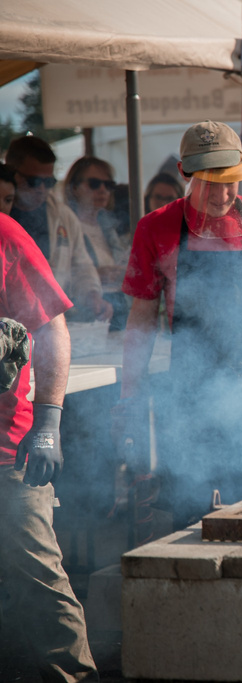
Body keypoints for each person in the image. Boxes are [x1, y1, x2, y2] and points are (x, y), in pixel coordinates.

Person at [114, 120, 242, 528]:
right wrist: (130, 396)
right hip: (190, 394)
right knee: (194, 516)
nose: (223, 194)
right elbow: (141, 322)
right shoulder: (156, 228)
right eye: (211, 182)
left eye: (232, 182)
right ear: (185, 174)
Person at [0, 212, 98, 681]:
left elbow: (52, 327)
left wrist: (48, 424)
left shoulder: (4, 234)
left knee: (39, 579)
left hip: (5, 451)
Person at [6, 136, 112, 322]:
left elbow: (81, 266)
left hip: (52, 321)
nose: (41, 189)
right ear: (13, 173)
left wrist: (92, 295)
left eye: (48, 182)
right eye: (33, 181)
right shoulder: (4, 217)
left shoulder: (63, 217)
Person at [64, 156, 131, 329]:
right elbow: (57, 272)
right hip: (84, 316)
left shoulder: (109, 227)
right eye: (94, 183)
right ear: (74, 188)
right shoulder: (64, 228)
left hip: (117, 308)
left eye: (108, 185)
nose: (102, 190)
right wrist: (96, 275)